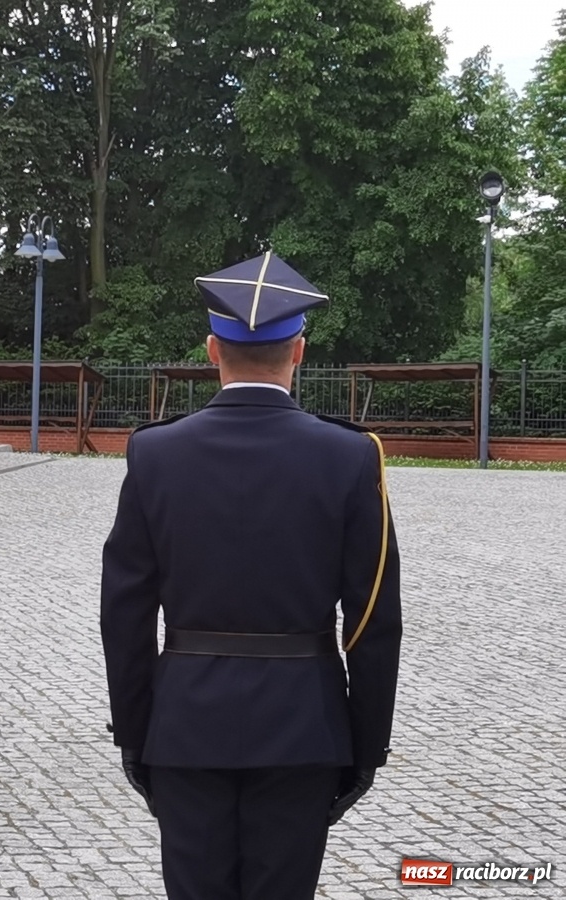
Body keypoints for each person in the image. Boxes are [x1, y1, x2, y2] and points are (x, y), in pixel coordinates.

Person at [99, 252, 402, 900]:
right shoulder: (351, 456)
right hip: (304, 727)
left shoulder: (155, 453)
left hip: (184, 727)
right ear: (300, 351)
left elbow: (125, 611)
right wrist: (366, 744)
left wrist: (135, 731)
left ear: (212, 350)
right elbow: (374, 621)